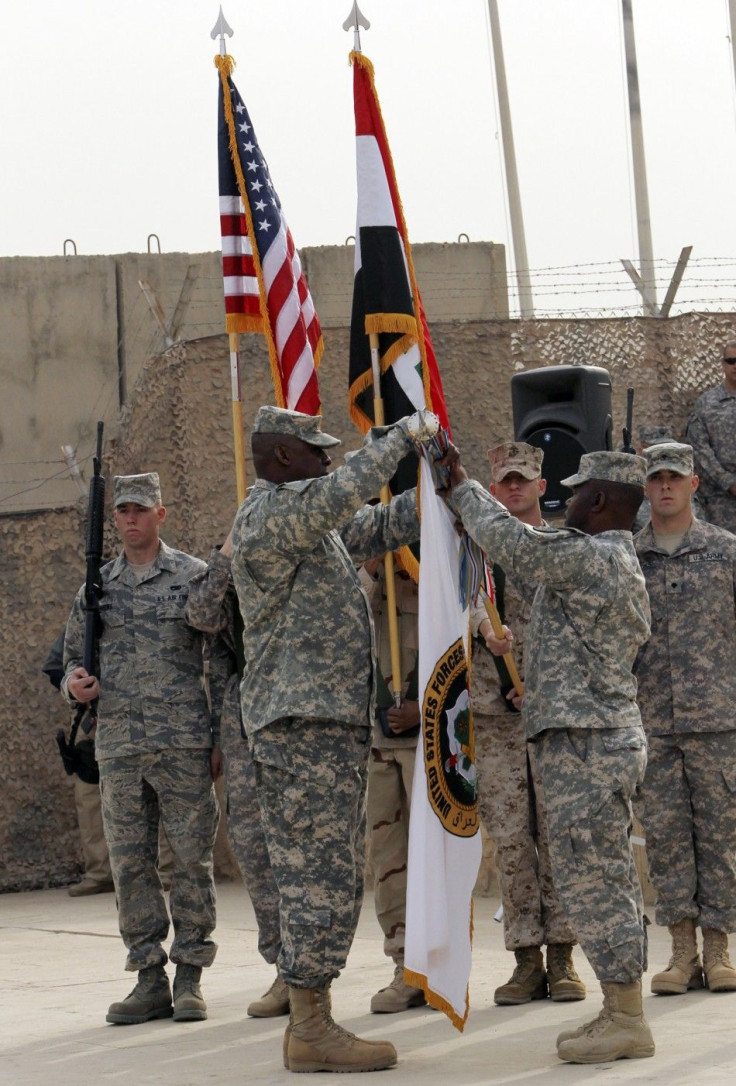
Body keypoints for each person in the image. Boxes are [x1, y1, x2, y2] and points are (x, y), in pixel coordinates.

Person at [230, 405, 434, 1074]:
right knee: (317, 877)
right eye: (315, 451)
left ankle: (313, 1019)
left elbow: (373, 523)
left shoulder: (311, 523)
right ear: (284, 458)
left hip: (324, 721)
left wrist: (435, 490)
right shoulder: (270, 515)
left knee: (330, 873)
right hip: (300, 723)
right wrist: (401, 437)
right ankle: (312, 1027)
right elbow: (345, 492)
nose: (326, 458)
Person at [443, 447, 654, 1065]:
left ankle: (627, 1017)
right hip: (579, 739)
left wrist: (462, 487)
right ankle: (619, 1008)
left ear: (602, 501)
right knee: (595, 879)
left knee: (600, 881)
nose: (572, 501)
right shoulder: (597, 561)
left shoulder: (595, 559)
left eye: (582, 492)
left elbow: (518, 546)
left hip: (588, 742)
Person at [62, 473, 228, 1026]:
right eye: (122, 511)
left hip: (182, 742)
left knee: (189, 862)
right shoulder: (96, 586)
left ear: (161, 513)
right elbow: (68, 660)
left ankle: (190, 977)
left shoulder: (192, 577)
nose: (130, 519)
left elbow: (221, 660)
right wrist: (75, 684)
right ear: (114, 520)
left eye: (140, 509)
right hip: (119, 746)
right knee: (131, 866)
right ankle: (149, 977)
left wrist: (220, 734)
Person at [469, 442, 584, 1006]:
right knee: (512, 840)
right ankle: (524, 960)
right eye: (504, 482)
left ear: (542, 487)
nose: (513, 489)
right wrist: (483, 637)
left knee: (558, 834)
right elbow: (461, 614)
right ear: (492, 490)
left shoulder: (563, 548)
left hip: (552, 709)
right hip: (496, 716)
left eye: (523, 481)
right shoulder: (477, 554)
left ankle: (563, 957)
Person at [633, 441, 736, 996]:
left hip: (717, 720)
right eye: (656, 479)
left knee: (719, 837)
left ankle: (718, 951)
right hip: (653, 722)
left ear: (695, 483)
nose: (666, 486)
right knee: (668, 838)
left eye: (675, 477)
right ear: (646, 488)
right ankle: (680, 953)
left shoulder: (726, 551)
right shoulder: (629, 555)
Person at [186, 533, 287, 1018]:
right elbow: (201, 614)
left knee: (305, 843)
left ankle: (311, 965)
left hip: (296, 712)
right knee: (251, 843)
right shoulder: (235, 566)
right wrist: (225, 552)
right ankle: (285, 967)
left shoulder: (305, 550)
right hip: (244, 715)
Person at [358, 556, 425, 1014]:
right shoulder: (360, 576)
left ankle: (437, 964)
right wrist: (368, 571)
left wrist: (426, 708)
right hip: (376, 738)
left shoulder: (430, 565)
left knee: (434, 856)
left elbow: (462, 644)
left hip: (431, 739)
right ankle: (403, 964)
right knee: (388, 857)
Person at [43, 630, 114, 897]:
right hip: (93, 717)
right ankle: (100, 873)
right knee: (89, 794)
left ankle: (166, 872)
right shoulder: (88, 610)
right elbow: (54, 666)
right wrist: (83, 695)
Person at [685, 339, 736, 532]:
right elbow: (700, 450)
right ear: (723, 364)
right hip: (720, 501)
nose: (735, 365)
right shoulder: (707, 404)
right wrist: (728, 483)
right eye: (731, 360)